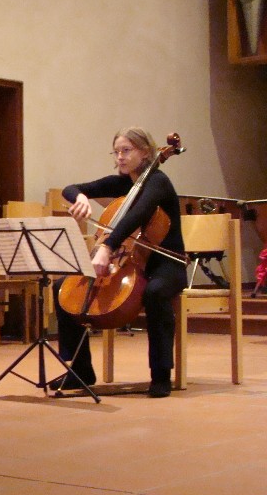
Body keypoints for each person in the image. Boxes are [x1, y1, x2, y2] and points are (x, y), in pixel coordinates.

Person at [52, 127, 187, 398]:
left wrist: (107, 247)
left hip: (166, 264)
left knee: (155, 292)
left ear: (145, 152)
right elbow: (71, 189)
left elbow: (140, 213)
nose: (120, 157)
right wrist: (80, 196)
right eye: (116, 152)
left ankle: (161, 374)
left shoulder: (158, 182)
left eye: (126, 150)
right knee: (61, 287)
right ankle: (80, 370)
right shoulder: (121, 183)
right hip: (127, 259)